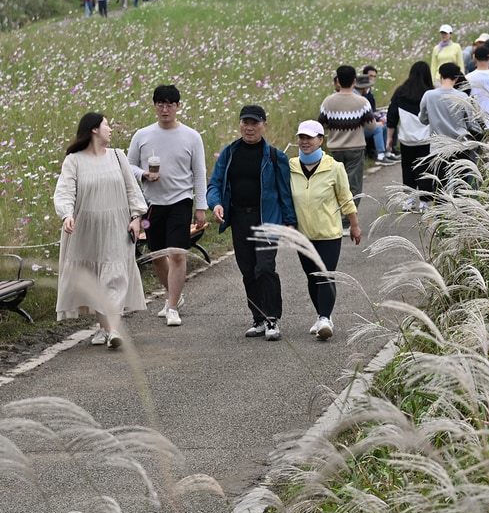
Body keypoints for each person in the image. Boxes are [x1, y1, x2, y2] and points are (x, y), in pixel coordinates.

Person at [52, 112, 147, 350]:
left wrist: (136, 217)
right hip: (85, 230)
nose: (110, 129)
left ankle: (113, 330)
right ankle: (106, 328)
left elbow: (132, 190)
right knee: (95, 279)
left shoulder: (118, 156)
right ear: (94, 129)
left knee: (114, 277)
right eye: (107, 125)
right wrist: (66, 215)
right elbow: (64, 191)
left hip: (116, 226)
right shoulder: (74, 160)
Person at [207, 105, 297, 340]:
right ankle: (258, 318)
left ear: (264, 125)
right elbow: (215, 184)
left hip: (267, 219)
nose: (249, 128)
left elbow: (284, 192)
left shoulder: (276, 156)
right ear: (239, 124)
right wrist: (216, 204)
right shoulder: (229, 153)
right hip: (239, 218)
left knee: (265, 268)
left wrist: (289, 222)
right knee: (247, 270)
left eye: (254, 123)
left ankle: (272, 319)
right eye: (245, 123)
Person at [126, 84, 208, 327]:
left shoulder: (192, 136)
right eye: (160, 104)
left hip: (181, 201)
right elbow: (127, 165)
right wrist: (143, 174)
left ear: (178, 106)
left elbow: (199, 173)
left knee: (177, 254)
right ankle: (175, 294)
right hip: (151, 204)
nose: (164, 109)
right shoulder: (142, 135)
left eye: (169, 104)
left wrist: (200, 205)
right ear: (154, 106)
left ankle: (171, 306)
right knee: (157, 255)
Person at [288, 120, 360, 340]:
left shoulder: (334, 167)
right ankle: (322, 315)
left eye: (309, 138)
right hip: (302, 234)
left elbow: (345, 198)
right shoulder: (289, 166)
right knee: (311, 276)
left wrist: (354, 225)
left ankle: (324, 318)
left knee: (325, 275)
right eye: (301, 137)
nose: (304, 142)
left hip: (329, 233)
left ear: (321, 140)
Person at [318, 65, 376, 232]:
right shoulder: (362, 102)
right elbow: (371, 126)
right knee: (353, 185)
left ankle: (335, 218)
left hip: (335, 148)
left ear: (337, 81)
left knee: (334, 184)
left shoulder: (328, 101)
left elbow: (321, 124)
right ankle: (347, 221)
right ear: (354, 81)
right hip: (356, 147)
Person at [418, 63, 479, 195]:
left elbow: (422, 119)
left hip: (438, 147)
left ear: (440, 76)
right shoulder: (462, 97)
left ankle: (442, 214)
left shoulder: (429, 95)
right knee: (460, 186)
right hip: (460, 146)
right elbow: (470, 124)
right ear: (456, 78)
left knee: (440, 186)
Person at [386, 60, 435, 208]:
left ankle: (409, 200)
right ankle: (425, 203)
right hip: (426, 139)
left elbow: (392, 115)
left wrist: (389, 138)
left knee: (407, 168)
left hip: (406, 139)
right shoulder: (430, 93)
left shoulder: (401, 92)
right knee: (425, 169)